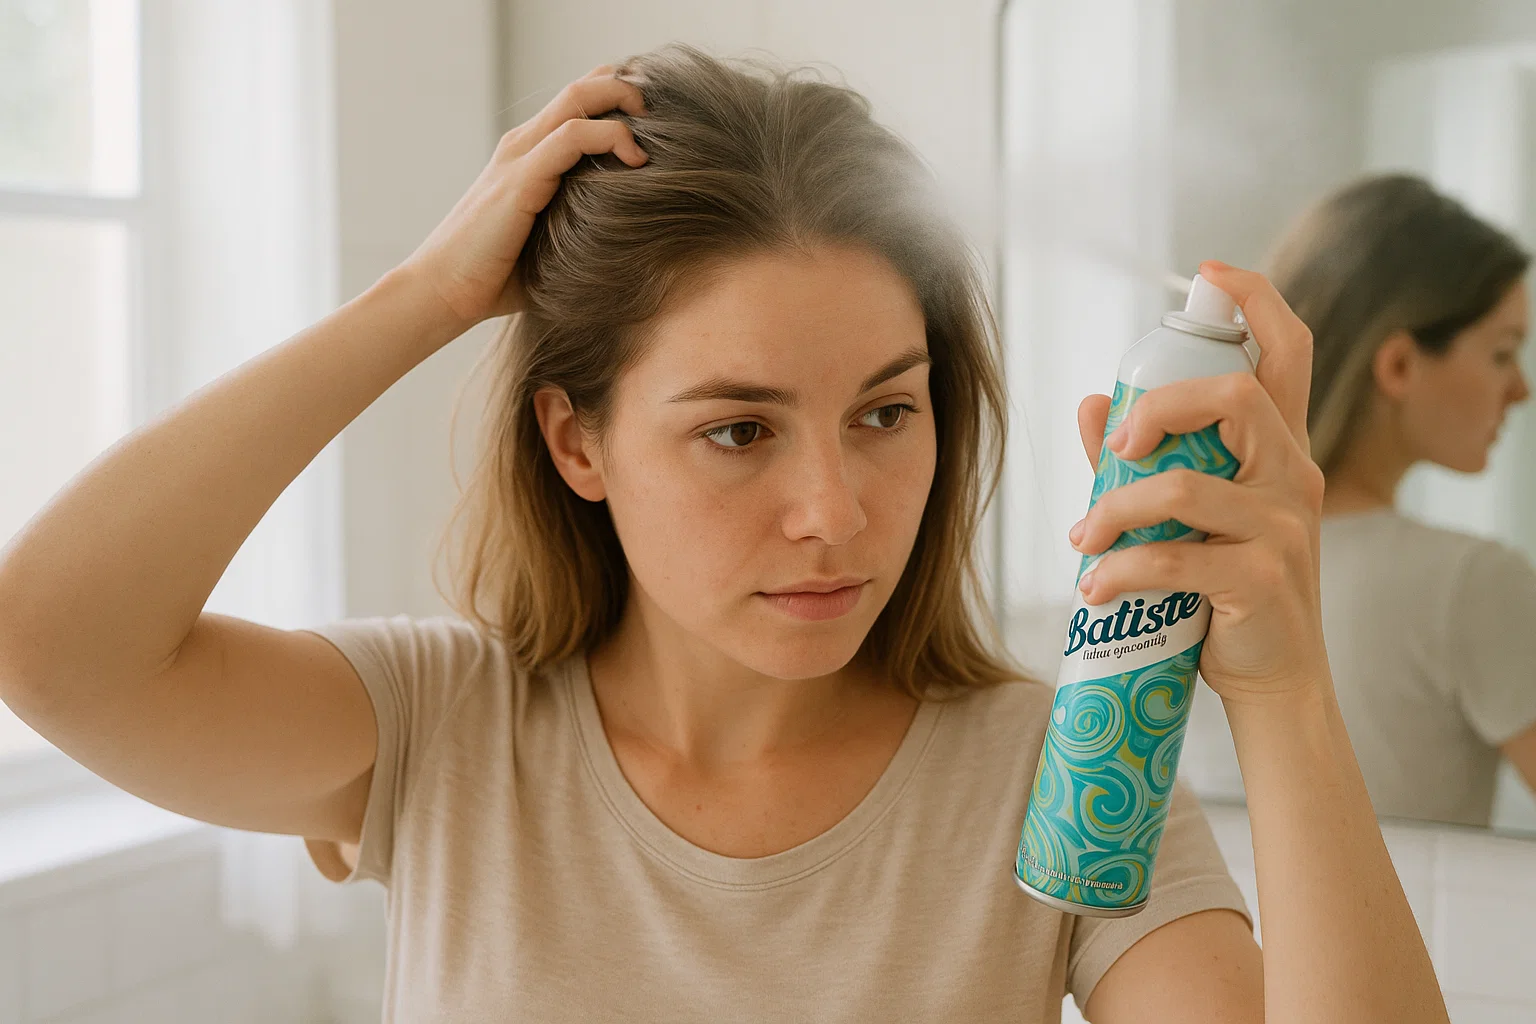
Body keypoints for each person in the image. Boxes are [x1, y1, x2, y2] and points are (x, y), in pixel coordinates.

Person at [0, 47, 1447, 1023]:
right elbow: (50, 643)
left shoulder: (1065, 781)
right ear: (576, 441)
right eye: (740, 430)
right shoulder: (445, 731)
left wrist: (1284, 691)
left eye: (886, 412)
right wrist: (426, 298)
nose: (836, 511)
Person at [1267, 174, 1536, 828]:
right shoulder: (1470, 584)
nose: (1521, 389)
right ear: (1398, 366)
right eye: (1502, 354)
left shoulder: (1207, 559)